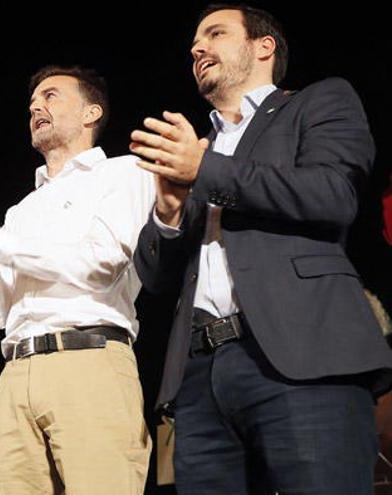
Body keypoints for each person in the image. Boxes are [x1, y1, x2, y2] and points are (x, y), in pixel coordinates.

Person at [129, 4, 392, 493]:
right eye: (194, 42)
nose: (197, 47)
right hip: (200, 376)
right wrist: (166, 213)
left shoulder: (318, 102)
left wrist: (205, 171)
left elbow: (333, 195)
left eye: (215, 33)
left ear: (263, 46)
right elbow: (157, 277)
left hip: (301, 359)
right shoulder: (194, 148)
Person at [0, 64, 155, 492]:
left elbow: (100, 263)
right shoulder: (22, 210)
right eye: (33, 101)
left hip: (88, 360)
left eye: (50, 96)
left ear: (91, 113)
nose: (36, 105)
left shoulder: (125, 173)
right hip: (16, 374)